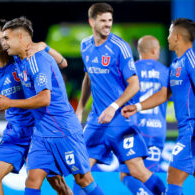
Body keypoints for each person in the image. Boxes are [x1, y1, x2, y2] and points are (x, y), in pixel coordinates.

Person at [0, 16, 104, 195]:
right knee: (33, 180)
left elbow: (45, 99)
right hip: (42, 133)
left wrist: (10, 103)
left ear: (21, 37)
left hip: (63, 130)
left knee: (83, 179)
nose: (4, 42)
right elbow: (63, 62)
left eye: (7, 38)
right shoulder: (21, 59)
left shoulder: (38, 59)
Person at [0, 18, 72, 195]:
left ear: (8, 39)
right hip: (15, 133)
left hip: (40, 130)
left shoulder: (23, 58)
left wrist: (44, 46)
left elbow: (62, 63)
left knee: (58, 184)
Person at [75, 3, 165, 195]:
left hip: (119, 121)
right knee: (81, 172)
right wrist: (80, 108)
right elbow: (88, 77)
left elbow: (135, 85)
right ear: (91, 21)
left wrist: (113, 106)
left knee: (137, 171)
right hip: (96, 121)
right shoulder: (85, 46)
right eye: (103, 21)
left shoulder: (120, 47)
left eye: (110, 21)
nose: (107, 25)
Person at [122, 18, 195, 195]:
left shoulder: (192, 59)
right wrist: (138, 107)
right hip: (186, 130)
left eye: (170, 33)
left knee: (173, 175)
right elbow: (164, 94)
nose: (168, 37)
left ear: (177, 36)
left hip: (191, 129)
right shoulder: (175, 64)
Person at [119, 35, 168, 194]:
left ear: (139, 50)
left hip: (134, 130)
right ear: (155, 50)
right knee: (148, 175)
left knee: (126, 174)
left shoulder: (130, 71)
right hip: (156, 130)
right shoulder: (165, 72)